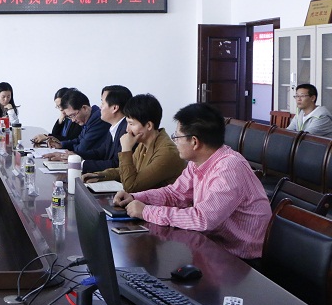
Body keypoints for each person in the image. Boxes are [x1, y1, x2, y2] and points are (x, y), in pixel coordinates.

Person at [113, 103, 271, 261]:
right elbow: (175, 194)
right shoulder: (198, 162)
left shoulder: (229, 168)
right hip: (214, 245)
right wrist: (136, 197)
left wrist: (146, 211)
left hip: (243, 260)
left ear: (194, 142)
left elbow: (203, 219)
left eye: (177, 137)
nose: (175, 142)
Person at [83, 93, 185, 191]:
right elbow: (125, 171)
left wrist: (126, 149)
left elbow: (131, 186)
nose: (127, 129)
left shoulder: (167, 152)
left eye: (131, 124)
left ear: (149, 125)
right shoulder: (144, 143)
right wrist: (99, 176)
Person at [43, 89, 110, 160]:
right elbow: (78, 140)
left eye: (73, 115)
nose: (73, 120)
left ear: (84, 108)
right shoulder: (89, 118)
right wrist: (61, 145)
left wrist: (64, 154)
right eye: (69, 117)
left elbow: (81, 149)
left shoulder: (98, 120)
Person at [81, 85, 133, 173]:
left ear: (114, 108)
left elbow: (116, 164)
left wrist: (81, 164)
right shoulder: (114, 126)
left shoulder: (127, 130)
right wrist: (73, 156)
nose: (100, 107)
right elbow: (100, 152)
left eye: (103, 103)